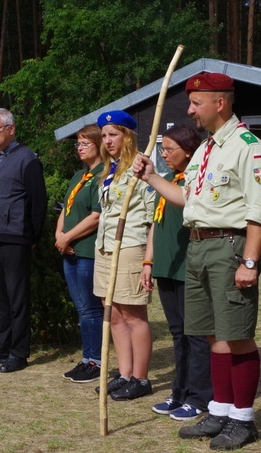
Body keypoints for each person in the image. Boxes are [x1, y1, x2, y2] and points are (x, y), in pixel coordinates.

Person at [133, 71, 261, 450]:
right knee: (212, 335)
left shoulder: (250, 148)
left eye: (196, 103)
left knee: (237, 335)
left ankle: (243, 419)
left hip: (229, 247)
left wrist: (249, 262)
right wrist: (151, 177)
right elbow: (187, 199)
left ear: (220, 103)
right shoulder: (207, 149)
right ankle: (220, 409)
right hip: (197, 246)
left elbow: (260, 213)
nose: (191, 110)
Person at [139, 125, 212, 420]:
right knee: (177, 332)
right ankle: (179, 392)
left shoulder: (196, 180)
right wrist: (149, 261)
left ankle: (200, 396)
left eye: (170, 149)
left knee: (195, 334)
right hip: (167, 265)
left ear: (189, 151)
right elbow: (157, 223)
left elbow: (186, 201)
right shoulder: (166, 179)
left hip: (189, 265)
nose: (165, 155)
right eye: (162, 149)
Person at [0, 108, 47, 373]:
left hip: (15, 238)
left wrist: (32, 236)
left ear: (11, 129)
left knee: (17, 298)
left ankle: (18, 353)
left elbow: (38, 201)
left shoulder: (27, 159)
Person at [91, 110, 155, 400]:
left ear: (127, 136)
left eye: (113, 134)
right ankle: (125, 373)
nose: (107, 140)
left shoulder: (141, 168)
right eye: (104, 136)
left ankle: (141, 378)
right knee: (113, 313)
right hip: (105, 247)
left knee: (132, 314)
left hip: (130, 247)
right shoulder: (111, 169)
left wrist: (148, 260)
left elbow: (155, 217)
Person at [55, 124, 104, 383]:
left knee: (90, 310)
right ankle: (86, 359)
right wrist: (59, 234)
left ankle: (95, 360)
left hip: (86, 251)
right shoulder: (78, 176)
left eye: (85, 143)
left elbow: (96, 216)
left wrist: (68, 237)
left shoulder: (101, 177)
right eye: (78, 143)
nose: (79, 148)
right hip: (69, 250)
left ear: (99, 145)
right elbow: (66, 207)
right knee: (81, 309)